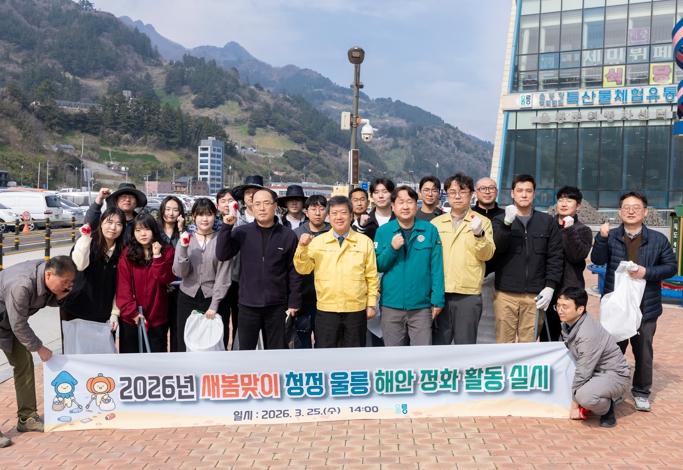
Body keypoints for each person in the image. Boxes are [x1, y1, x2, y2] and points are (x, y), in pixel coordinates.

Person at [590, 191, 677, 412]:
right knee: (613, 352)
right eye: (626, 207)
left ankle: (641, 392)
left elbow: (671, 267)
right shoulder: (610, 235)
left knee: (643, 353)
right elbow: (597, 260)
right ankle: (614, 391)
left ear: (645, 212)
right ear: (619, 212)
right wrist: (601, 238)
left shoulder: (658, 239)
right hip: (616, 305)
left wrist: (646, 272)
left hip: (645, 306)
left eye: (636, 207)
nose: (631, 211)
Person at [0, 256, 77, 445]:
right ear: (49, 275)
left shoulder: (45, 273)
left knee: (24, 362)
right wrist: (39, 348)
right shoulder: (22, 284)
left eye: (71, 281)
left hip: (7, 322)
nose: (68, 285)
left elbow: (41, 298)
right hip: (11, 322)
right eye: (65, 281)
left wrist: (59, 297)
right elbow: (19, 324)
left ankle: (27, 418)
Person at [216, 188, 302, 350]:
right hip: (248, 304)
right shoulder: (242, 232)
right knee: (246, 351)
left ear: (275, 206)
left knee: (276, 351)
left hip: (277, 305)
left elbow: (294, 270)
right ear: (252, 207)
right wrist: (226, 226)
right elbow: (222, 254)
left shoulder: (288, 235)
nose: (262, 208)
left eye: (266, 203)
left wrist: (294, 300)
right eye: (257, 204)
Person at [294, 196, 378, 348]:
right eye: (334, 213)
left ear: (351, 215)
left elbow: (371, 275)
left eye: (343, 212)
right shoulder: (317, 242)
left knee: (356, 352)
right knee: (326, 353)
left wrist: (371, 304)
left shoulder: (364, 241)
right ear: (328, 216)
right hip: (327, 308)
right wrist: (302, 248)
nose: (339, 217)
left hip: (356, 308)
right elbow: (303, 268)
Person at [492, 174, 564, 343]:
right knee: (504, 344)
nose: (524, 195)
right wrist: (507, 223)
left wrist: (550, 286)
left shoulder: (546, 221)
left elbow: (555, 256)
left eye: (528, 191)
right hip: (506, 294)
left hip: (535, 295)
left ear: (534, 194)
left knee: (528, 344)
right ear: (512, 193)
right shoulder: (499, 220)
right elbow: (498, 247)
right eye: (520, 190)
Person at [375, 186, 444, 346]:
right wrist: (392, 249)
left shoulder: (430, 230)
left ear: (416, 204)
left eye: (409, 201)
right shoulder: (383, 231)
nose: (405, 206)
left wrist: (437, 300)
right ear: (393, 206)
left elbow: (437, 267)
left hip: (421, 306)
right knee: (393, 354)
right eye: (400, 202)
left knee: (422, 354)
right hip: (391, 305)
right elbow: (378, 265)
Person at [431, 173, 495, 345]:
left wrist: (479, 234)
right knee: (438, 345)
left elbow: (487, 255)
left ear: (472, 194)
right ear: (446, 195)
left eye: (463, 191)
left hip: (468, 293)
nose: (457, 196)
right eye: (452, 192)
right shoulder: (436, 223)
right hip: (440, 292)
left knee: (465, 345)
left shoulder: (482, 222)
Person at [559, 287, 631, 428]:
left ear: (580, 309)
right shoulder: (569, 323)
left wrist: (574, 405)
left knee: (585, 397)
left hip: (615, 375)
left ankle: (607, 407)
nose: (560, 310)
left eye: (565, 307)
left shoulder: (587, 334)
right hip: (595, 372)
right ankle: (598, 394)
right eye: (558, 305)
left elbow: (584, 370)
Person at [60, 207, 126, 349]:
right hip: (75, 310)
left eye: (119, 224)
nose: (113, 228)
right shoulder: (87, 242)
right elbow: (79, 265)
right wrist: (84, 238)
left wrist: (115, 313)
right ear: (101, 223)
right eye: (109, 222)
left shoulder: (122, 252)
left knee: (100, 356)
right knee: (74, 353)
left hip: (103, 315)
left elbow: (121, 286)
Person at [173, 198, 232, 352]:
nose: (204, 219)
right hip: (188, 296)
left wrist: (215, 304)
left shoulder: (221, 240)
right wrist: (183, 248)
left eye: (209, 214)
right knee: (185, 341)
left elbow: (224, 275)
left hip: (214, 297)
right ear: (193, 216)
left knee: (216, 342)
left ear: (215, 216)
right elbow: (180, 272)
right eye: (200, 214)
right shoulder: (186, 238)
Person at [116, 213, 176, 353]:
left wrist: (157, 256)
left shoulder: (167, 251)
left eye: (147, 229)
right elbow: (123, 287)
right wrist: (132, 311)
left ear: (154, 230)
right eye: (138, 230)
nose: (142, 234)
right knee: (130, 359)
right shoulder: (127, 253)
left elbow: (165, 278)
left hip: (157, 317)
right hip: (131, 318)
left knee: (156, 359)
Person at [540, 186, 593, 342]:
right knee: (547, 334)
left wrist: (569, 230)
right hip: (547, 288)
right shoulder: (547, 225)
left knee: (570, 336)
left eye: (569, 200)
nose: (564, 204)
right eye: (561, 200)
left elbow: (577, 256)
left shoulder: (583, 230)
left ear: (578, 206)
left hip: (570, 289)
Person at [293, 195, 331, 348]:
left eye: (322, 208)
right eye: (313, 209)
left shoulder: (333, 233)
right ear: (306, 212)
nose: (318, 213)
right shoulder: (296, 233)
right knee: (302, 342)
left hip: (327, 298)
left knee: (325, 341)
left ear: (327, 212)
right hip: (302, 297)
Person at [470, 177, 505, 344]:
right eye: (483, 188)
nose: (487, 191)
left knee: (495, 328)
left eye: (491, 188)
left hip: (499, 279)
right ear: (475, 193)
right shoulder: (468, 215)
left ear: (497, 192)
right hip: (473, 278)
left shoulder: (506, 216)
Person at [366, 177, 396, 346]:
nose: (381, 196)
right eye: (376, 192)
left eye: (385, 191)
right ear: (372, 196)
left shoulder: (401, 220)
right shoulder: (364, 223)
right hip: (370, 281)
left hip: (394, 279)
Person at [157, 195, 186, 352]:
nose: (171, 213)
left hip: (180, 288)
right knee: (159, 331)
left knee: (178, 331)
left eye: (175, 210)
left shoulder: (185, 233)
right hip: (160, 289)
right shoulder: (154, 233)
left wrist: (182, 230)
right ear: (162, 210)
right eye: (167, 209)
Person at [216, 188, 240, 350]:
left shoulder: (242, 222)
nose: (227, 204)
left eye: (230, 200)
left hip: (238, 278)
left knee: (239, 319)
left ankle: (237, 350)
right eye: (223, 201)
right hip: (220, 279)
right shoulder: (213, 224)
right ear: (217, 206)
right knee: (221, 319)